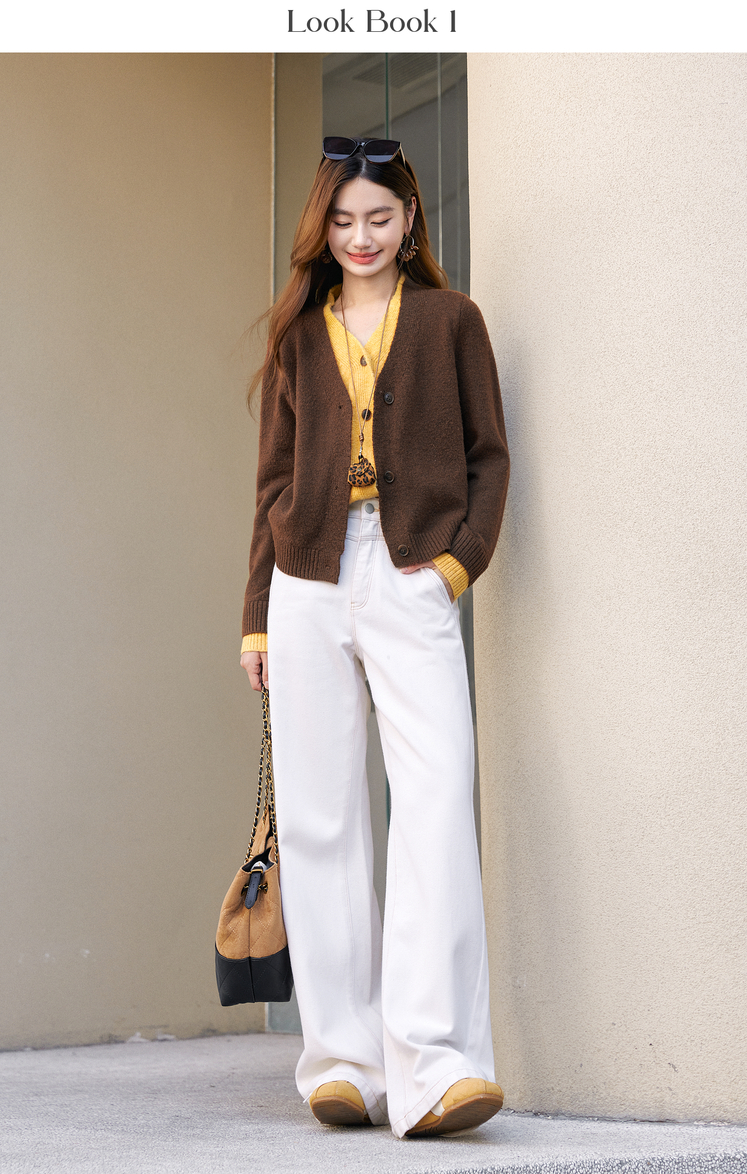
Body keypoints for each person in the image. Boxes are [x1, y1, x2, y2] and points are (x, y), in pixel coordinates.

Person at [240, 137, 509, 1139]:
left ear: (410, 222)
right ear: (324, 228)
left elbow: (490, 457)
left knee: (434, 799)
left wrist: (455, 567)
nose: (361, 237)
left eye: (379, 218)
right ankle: (343, 1063)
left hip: (410, 575)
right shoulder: (297, 337)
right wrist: (256, 616)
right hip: (306, 580)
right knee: (321, 817)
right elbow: (272, 485)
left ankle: (436, 1068)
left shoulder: (451, 320)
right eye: (344, 220)